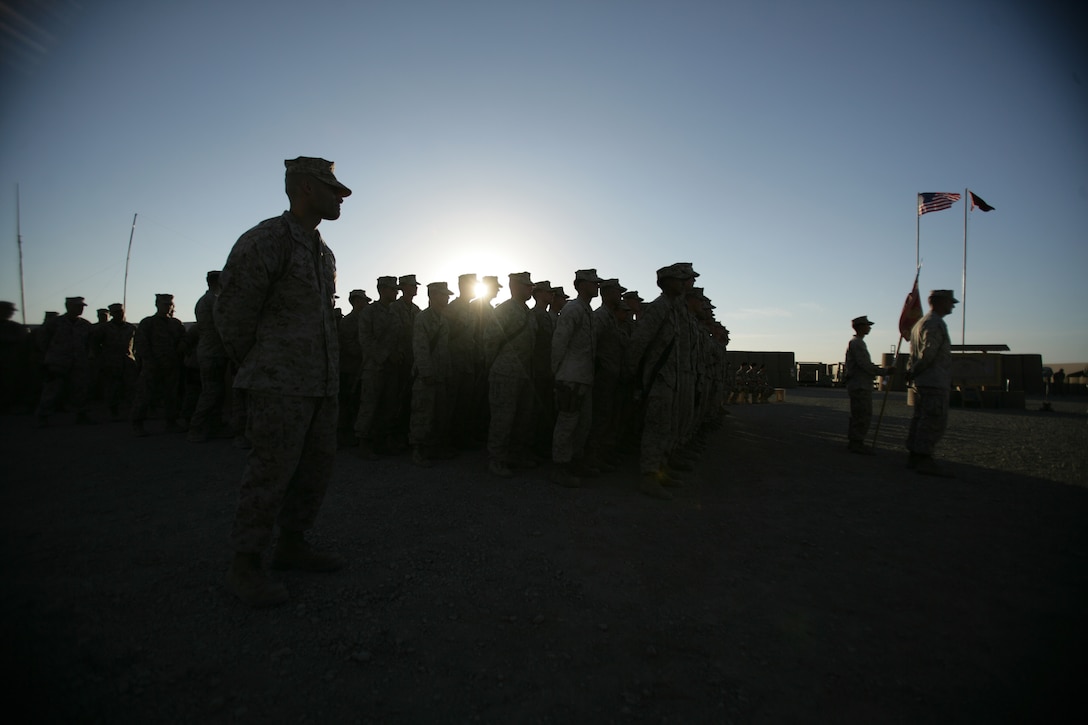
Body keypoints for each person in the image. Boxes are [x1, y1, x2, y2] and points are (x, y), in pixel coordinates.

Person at [215, 156, 350, 608]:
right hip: (279, 384)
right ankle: (245, 563)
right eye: (333, 189)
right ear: (306, 188)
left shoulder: (323, 251)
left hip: (319, 384)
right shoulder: (266, 240)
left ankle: (291, 546)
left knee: (314, 472)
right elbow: (232, 312)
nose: (341, 196)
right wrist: (263, 365)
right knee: (269, 473)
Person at [550, 269, 602, 487]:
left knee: (583, 424)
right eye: (593, 283)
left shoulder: (586, 310)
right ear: (581, 285)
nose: (597, 286)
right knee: (567, 424)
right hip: (570, 378)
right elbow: (559, 342)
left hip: (583, 377)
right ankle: (560, 467)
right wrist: (557, 374)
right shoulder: (573, 309)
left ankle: (574, 461)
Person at [484, 271, 537, 477]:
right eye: (526, 286)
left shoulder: (528, 312)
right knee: (502, 419)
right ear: (514, 287)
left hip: (524, 375)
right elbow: (490, 341)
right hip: (504, 373)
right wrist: (494, 366)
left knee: (522, 418)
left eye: (531, 286)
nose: (530, 289)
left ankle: (515, 455)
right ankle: (496, 460)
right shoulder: (504, 310)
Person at [906, 289, 958, 477]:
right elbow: (928, 353)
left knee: (921, 418)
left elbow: (914, 355)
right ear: (939, 302)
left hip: (925, 380)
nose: (952, 305)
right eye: (950, 302)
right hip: (933, 380)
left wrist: (912, 372)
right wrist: (916, 371)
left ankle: (915, 455)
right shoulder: (934, 323)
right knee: (933, 420)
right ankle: (924, 458)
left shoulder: (920, 323)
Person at [355, 276, 404, 458]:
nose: (396, 292)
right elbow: (365, 340)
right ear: (382, 290)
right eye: (393, 289)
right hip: (374, 367)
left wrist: (397, 353)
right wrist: (385, 355)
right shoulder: (369, 312)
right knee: (370, 405)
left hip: (392, 368)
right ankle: (364, 443)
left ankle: (382, 441)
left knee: (388, 406)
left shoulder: (394, 312)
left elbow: (398, 336)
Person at [409, 281, 454, 467]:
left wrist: (447, 371)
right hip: (426, 375)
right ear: (433, 295)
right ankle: (418, 450)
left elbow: (445, 348)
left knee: (438, 413)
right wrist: (426, 372)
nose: (447, 297)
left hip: (441, 373)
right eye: (444, 294)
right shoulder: (423, 318)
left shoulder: (443, 319)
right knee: (422, 412)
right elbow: (420, 348)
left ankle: (433, 448)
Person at [131, 294, 186, 435]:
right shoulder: (148, 323)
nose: (168, 306)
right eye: (164, 304)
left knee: (171, 395)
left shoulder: (176, 324)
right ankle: (137, 424)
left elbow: (183, 342)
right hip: (152, 364)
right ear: (157, 305)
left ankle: (171, 422)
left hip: (171, 364)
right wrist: (148, 360)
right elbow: (141, 343)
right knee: (144, 394)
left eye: (170, 304)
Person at [35, 296, 93, 426]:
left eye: (82, 307)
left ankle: (81, 415)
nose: (81, 309)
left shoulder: (85, 325)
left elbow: (90, 343)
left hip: (79, 362)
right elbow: (42, 340)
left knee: (80, 390)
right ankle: (43, 416)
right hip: (57, 362)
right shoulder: (54, 323)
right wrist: (50, 356)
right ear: (68, 307)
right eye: (78, 306)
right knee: (52, 390)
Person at [188, 271, 230, 441]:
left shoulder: (205, 300)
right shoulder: (214, 301)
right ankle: (196, 429)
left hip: (209, 351)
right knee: (211, 392)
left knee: (215, 392)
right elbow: (224, 325)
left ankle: (213, 427)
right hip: (213, 352)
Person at [843, 315, 890, 454]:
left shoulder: (857, 342)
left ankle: (856, 441)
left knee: (860, 413)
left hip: (860, 384)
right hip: (860, 384)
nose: (869, 327)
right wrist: (884, 371)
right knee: (862, 414)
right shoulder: (857, 343)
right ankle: (856, 442)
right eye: (867, 325)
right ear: (860, 327)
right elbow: (864, 364)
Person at [337, 289, 370, 447]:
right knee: (346, 403)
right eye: (363, 301)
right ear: (356, 302)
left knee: (358, 402)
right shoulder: (349, 321)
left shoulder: (364, 319)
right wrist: (365, 351)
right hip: (350, 368)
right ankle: (342, 435)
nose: (366, 304)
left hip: (361, 367)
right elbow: (348, 344)